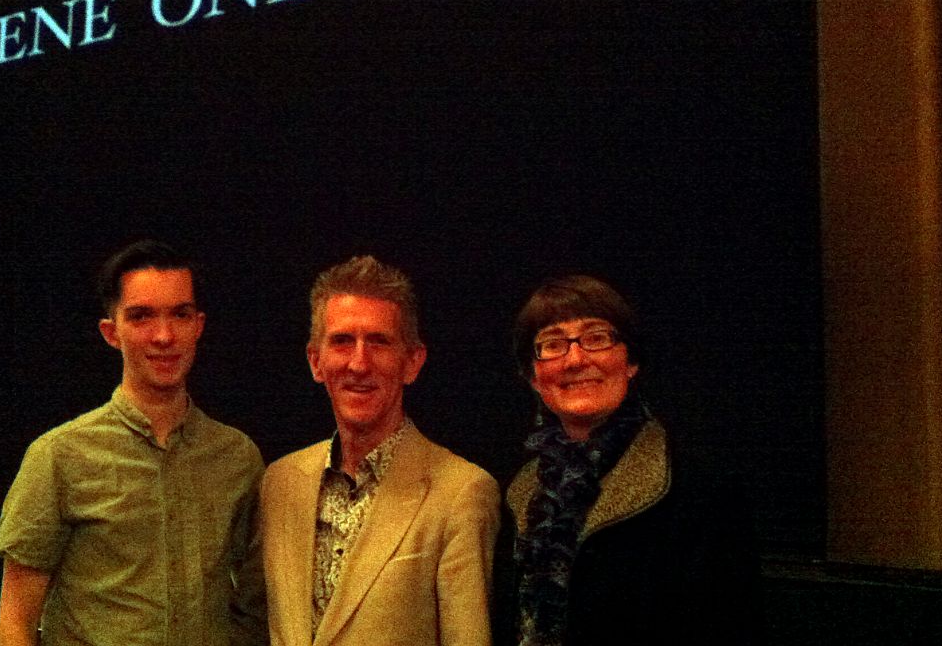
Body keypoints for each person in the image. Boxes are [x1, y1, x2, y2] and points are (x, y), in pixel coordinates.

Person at [0, 240, 266, 646]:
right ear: (110, 332)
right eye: (141, 317)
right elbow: (16, 625)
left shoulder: (237, 457)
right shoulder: (59, 456)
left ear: (199, 325)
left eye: (180, 314)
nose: (164, 335)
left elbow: (255, 606)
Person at [503, 275, 763, 645]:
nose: (575, 359)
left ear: (630, 362)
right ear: (533, 376)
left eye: (596, 338)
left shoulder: (701, 487)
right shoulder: (520, 492)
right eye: (552, 344)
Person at [261, 255, 500, 646]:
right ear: (315, 361)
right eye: (341, 341)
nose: (358, 363)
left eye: (379, 341)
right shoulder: (279, 482)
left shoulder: (462, 492)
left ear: (412, 362)